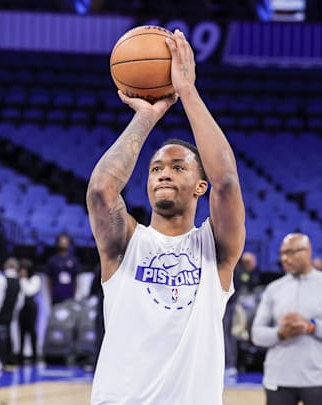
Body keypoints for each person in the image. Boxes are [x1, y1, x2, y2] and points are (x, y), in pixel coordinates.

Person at [87, 29, 245, 404]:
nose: (163, 174)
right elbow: (101, 191)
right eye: (156, 168)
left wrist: (187, 91)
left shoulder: (215, 248)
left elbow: (226, 181)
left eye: (177, 167)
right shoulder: (126, 243)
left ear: (200, 186)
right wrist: (146, 116)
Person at [252, 233, 322, 405]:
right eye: (282, 253)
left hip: (318, 379)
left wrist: (311, 326)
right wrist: (281, 334)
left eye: (291, 252)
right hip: (279, 379)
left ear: (307, 251)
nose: (285, 258)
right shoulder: (273, 289)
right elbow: (257, 334)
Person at [224, 251, 259, 376]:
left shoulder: (240, 270)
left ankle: (229, 365)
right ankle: (227, 364)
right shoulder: (233, 266)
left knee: (228, 334)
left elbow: (243, 285)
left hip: (230, 304)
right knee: (225, 334)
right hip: (225, 303)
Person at [0, 257, 24, 366]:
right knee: (9, 335)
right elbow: (20, 302)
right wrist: (14, 313)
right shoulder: (19, 282)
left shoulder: (1, 280)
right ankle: (9, 358)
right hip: (10, 314)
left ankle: (0, 360)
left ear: (5, 266)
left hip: (0, 313)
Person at [45, 232, 80, 305]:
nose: (63, 243)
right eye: (61, 242)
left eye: (65, 242)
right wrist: (50, 294)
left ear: (69, 243)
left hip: (69, 294)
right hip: (56, 295)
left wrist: (75, 293)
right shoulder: (52, 260)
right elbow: (49, 279)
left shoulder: (74, 260)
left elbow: (76, 279)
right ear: (57, 243)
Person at [18, 258, 42, 364]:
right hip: (21, 307)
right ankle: (20, 355)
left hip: (31, 307)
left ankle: (34, 355)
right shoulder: (19, 279)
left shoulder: (35, 279)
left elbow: (29, 291)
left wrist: (23, 279)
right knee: (21, 332)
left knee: (32, 331)